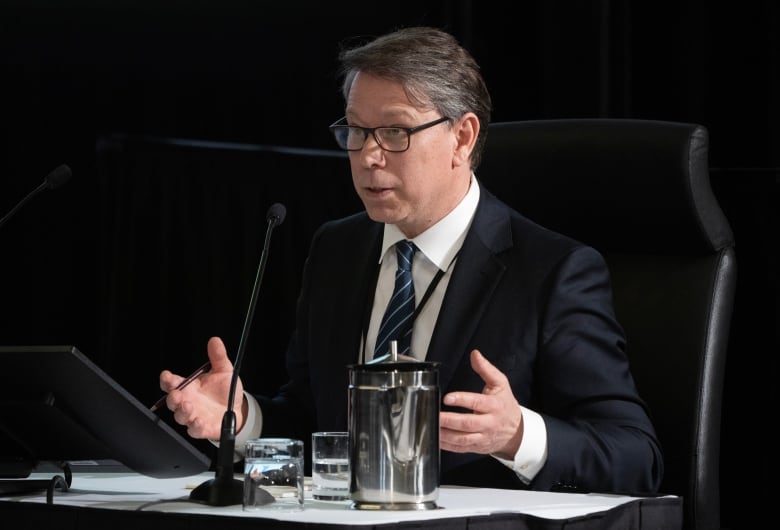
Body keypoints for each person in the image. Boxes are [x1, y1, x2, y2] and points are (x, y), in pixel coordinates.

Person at [160, 26, 663, 494]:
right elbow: (319, 421)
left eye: (395, 133)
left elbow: (635, 457)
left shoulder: (553, 272)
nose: (368, 157)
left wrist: (516, 436)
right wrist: (243, 418)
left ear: (462, 138)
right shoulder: (336, 250)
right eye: (356, 131)